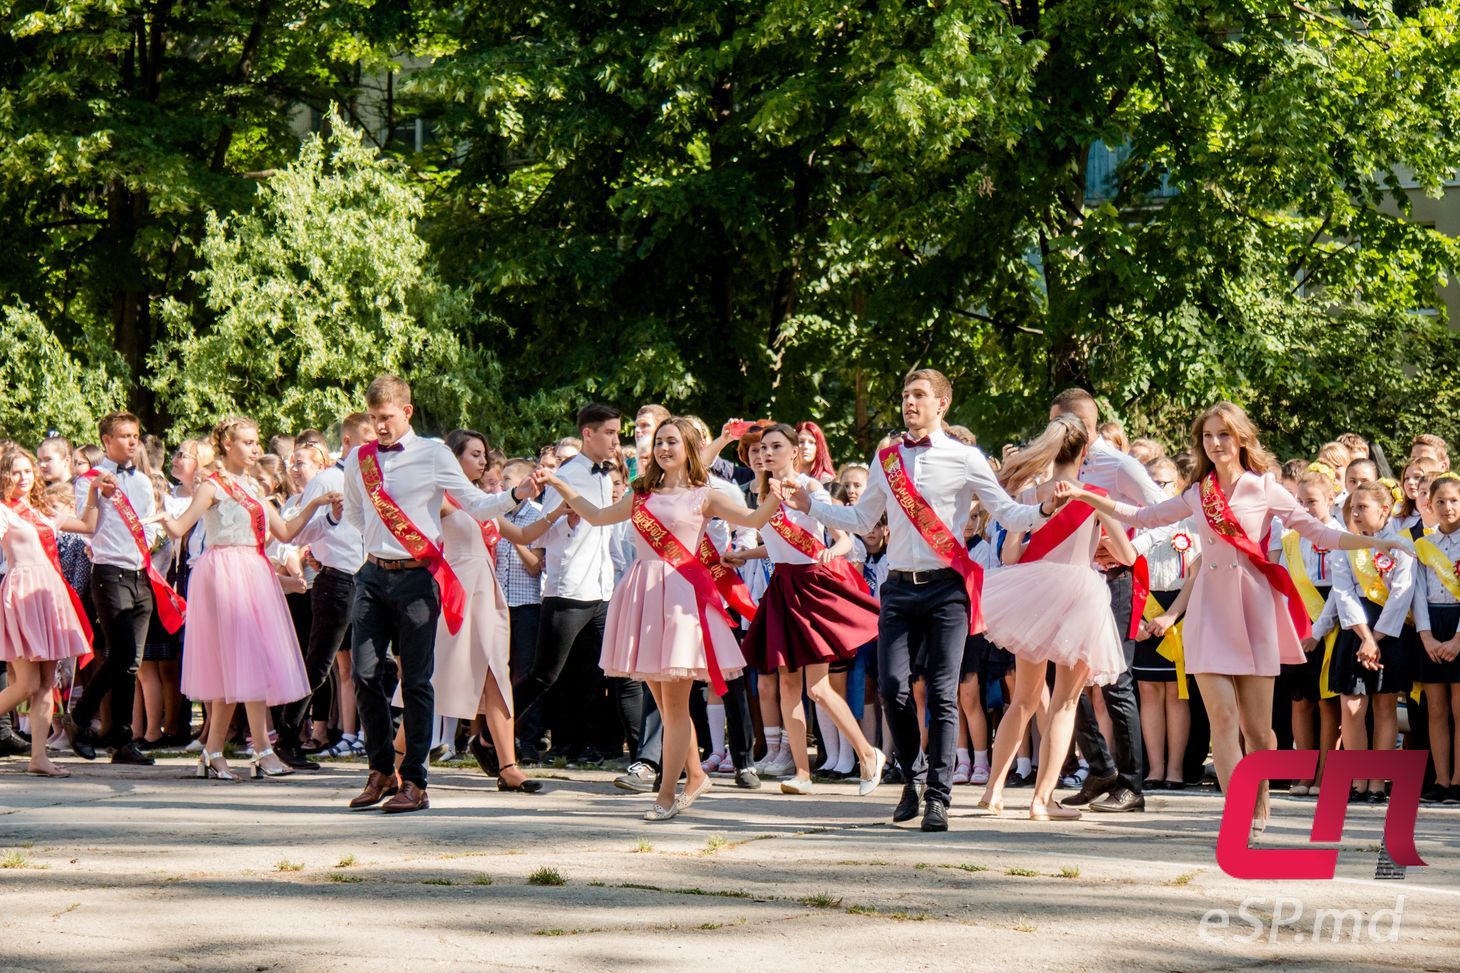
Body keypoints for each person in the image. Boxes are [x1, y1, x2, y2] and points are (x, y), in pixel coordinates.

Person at [1057, 402, 1412, 839]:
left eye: (1223, 434)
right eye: (1208, 436)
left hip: (1254, 610)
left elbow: (1319, 533)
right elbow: (1142, 516)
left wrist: (1384, 541)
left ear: (1241, 438)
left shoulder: (1264, 487)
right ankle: (1239, 812)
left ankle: (1260, 800)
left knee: (1258, 731)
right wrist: (1083, 494)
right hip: (1208, 610)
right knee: (1224, 721)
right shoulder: (1198, 491)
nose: (1215, 443)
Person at [782, 369, 1055, 832]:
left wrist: (1044, 511)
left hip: (947, 588)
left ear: (942, 404)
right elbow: (862, 516)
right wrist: (813, 508)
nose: (909, 403)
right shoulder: (886, 457)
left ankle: (939, 797)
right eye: (905, 395)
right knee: (892, 687)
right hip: (899, 587)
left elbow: (1007, 512)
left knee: (944, 692)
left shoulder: (966, 458)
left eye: (919, 396)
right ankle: (914, 776)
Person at [538, 416, 784, 819]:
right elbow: (599, 517)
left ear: (688, 446)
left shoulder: (705, 495)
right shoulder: (641, 493)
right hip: (644, 594)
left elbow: (754, 521)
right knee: (664, 701)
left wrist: (776, 493)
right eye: (659, 442)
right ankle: (695, 776)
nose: (664, 448)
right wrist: (562, 485)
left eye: (672, 441)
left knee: (674, 706)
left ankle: (667, 794)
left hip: (682, 600)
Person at [338, 376, 538, 814]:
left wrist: (517, 494)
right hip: (373, 575)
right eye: (373, 419)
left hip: (417, 578)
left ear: (406, 412)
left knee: (417, 680)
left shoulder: (432, 454)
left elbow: (473, 503)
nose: (380, 427)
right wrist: (379, 545)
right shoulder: (359, 460)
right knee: (366, 675)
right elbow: (354, 512)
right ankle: (380, 772)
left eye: (386, 418)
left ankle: (415, 782)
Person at [156, 416, 338, 781]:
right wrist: (155, 515)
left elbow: (285, 531)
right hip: (224, 573)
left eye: (256, 443)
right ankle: (262, 751)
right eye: (248, 442)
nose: (256, 449)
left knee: (242, 666)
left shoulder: (253, 487)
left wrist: (318, 503)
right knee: (245, 659)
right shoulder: (212, 486)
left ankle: (214, 752)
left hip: (252, 572)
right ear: (227, 445)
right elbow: (178, 527)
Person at [973, 415, 1136, 821]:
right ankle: (1040, 800)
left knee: (1024, 700)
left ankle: (993, 791)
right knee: (1064, 703)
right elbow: (1128, 557)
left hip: (1033, 595)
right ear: (1085, 452)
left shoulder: (1029, 496)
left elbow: (1010, 556)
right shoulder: (1093, 496)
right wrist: (1099, 546)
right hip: (1080, 597)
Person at [739, 424, 886, 796]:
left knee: (817, 688)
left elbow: (843, 539)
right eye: (763, 448)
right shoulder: (762, 495)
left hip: (810, 587)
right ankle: (802, 773)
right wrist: (745, 554)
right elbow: (775, 547)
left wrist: (829, 552)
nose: (767, 453)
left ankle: (869, 754)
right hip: (781, 588)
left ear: (794, 451)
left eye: (776, 446)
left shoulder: (810, 488)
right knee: (788, 684)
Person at [1050, 388, 1162, 813]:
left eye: (1054, 423)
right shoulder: (1058, 462)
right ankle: (1100, 768)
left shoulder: (1119, 465)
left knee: (1115, 681)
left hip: (1116, 579)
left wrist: (1130, 546)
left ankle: (1132, 784)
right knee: (1064, 681)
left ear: (1076, 425)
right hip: (1072, 579)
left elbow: (1168, 514)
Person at [513, 404, 642, 766]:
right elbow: (545, 533)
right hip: (569, 589)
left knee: (620, 672)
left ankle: (646, 757)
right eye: (611, 433)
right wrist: (567, 522)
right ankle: (493, 736)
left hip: (601, 590)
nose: (617, 440)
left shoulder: (605, 476)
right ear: (589, 433)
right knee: (544, 675)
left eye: (618, 433)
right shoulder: (566, 476)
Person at [63, 412, 178, 766]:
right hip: (109, 572)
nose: (132, 442)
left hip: (140, 572)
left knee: (132, 663)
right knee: (121, 654)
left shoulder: (144, 483)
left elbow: (146, 527)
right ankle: (81, 717)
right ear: (106, 441)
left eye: (135, 435)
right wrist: (99, 494)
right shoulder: (89, 481)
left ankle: (122, 739)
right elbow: (88, 526)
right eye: (124, 435)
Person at [269, 413, 371, 770]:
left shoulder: (374, 478)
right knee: (319, 662)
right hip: (336, 579)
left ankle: (374, 739)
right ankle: (287, 735)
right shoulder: (328, 478)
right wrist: (328, 518)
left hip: (370, 577)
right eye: (367, 437)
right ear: (347, 441)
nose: (375, 445)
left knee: (372, 663)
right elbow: (297, 533)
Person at [0, 447, 107, 776]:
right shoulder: (4, 512)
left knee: (47, 682)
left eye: (27, 471)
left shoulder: (40, 510)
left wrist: (92, 492)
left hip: (48, 593)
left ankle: (38, 758)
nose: (23, 477)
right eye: (15, 472)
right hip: (22, 592)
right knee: (26, 684)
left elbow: (88, 524)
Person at [1327, 480, 1415, 803]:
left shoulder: (1402, 545)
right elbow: (1343, 592)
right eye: (1353, 508)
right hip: (1356, 630)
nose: (1357, 514)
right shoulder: (1344, 545)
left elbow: (1401, 596)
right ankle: (1357, 778)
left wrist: (1376, 638)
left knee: (1384, 706)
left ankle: (1378, 780)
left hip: (1387, 632)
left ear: (1384, 510)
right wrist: (1364, 636)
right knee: (1352, 706)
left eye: (1363, 508)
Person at [1412, 474, 1460, 804]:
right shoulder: (1424, 545)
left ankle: (1459, 780)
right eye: (1440, 501)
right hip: (1431, 625)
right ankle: (1441, 780)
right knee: (1436, 710)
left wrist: (1458, 639)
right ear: (1429, 504)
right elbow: (1416, 592)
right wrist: (1427, 637)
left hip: (1458, 627)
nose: (1447, 507)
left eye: (1454, 500)